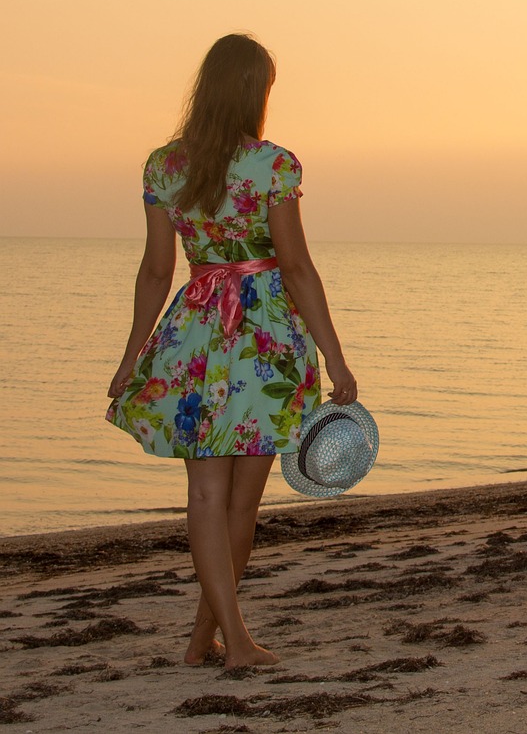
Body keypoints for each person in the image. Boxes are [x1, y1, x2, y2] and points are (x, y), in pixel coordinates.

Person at [106, 33, 357, 669]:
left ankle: (204, 640)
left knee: (207, 497)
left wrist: (133, 354)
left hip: (195, 334)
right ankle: (236, 640)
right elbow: (296, 267)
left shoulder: (165, 167)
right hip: (264, 340)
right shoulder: (274, 165)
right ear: (254, 91)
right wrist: (335, 356)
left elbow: (156, 272)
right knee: (241, 502)